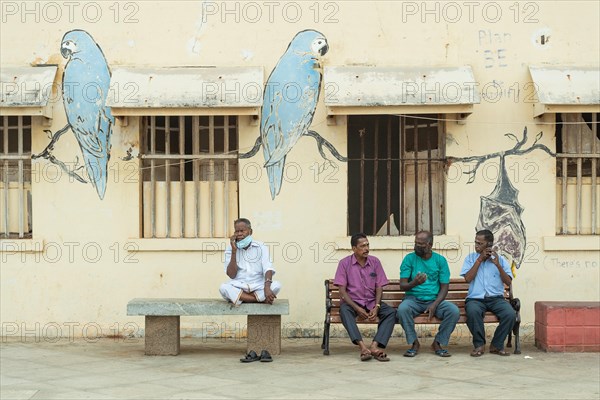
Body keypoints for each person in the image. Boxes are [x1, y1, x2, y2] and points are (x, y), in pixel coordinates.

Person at [333, 233, 396, 362]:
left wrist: (377, 306)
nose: (366, 248)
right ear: (354, 248)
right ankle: (362, 348)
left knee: (391, 313)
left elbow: (379, 287)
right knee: (344, 311)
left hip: (372, 302)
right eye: (362, 246)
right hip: (352, 303)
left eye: (367, 245)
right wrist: (357, 308)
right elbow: (342, 291)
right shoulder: (344, 263)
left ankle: (374, 346)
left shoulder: (375, 262)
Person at [397, 231, 460, 357]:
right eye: (416, 243)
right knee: (402, 310)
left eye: (421, 244)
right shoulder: (409, 259)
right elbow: (402, 285)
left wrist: (435, 304)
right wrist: (414, 283)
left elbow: (444, 287)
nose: (417, 246)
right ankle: (414, 343)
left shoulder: (440, 260)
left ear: (430, 245)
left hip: (434, 300)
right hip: (413, 299)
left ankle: (438, 343)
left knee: (453, 311)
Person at [461, 229, 515, 357]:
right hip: (475, 299)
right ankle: (479, 345)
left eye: (480, 243)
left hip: (496, 299)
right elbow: (468, 278)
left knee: (510, 314)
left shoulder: (500, 259)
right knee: (473, 312)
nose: (476, 246)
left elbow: (508, 281)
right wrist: (479, 260)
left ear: (489, 244)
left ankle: (496, 345)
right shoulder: (470, 258)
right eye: (476, 242)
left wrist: (498, 265)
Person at [219, 218, 281, 306]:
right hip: (239, 285)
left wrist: (267, 287)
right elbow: (231, 275)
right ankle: (258, 299)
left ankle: (242, 298)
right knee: (224, 288)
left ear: (250, 232)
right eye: (237, 231)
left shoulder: (261, 246)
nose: (239, 234)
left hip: (258, 285)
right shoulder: (230, 248)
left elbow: (268, 268)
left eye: (242, 231)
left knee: (276, 285)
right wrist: (234, 251)